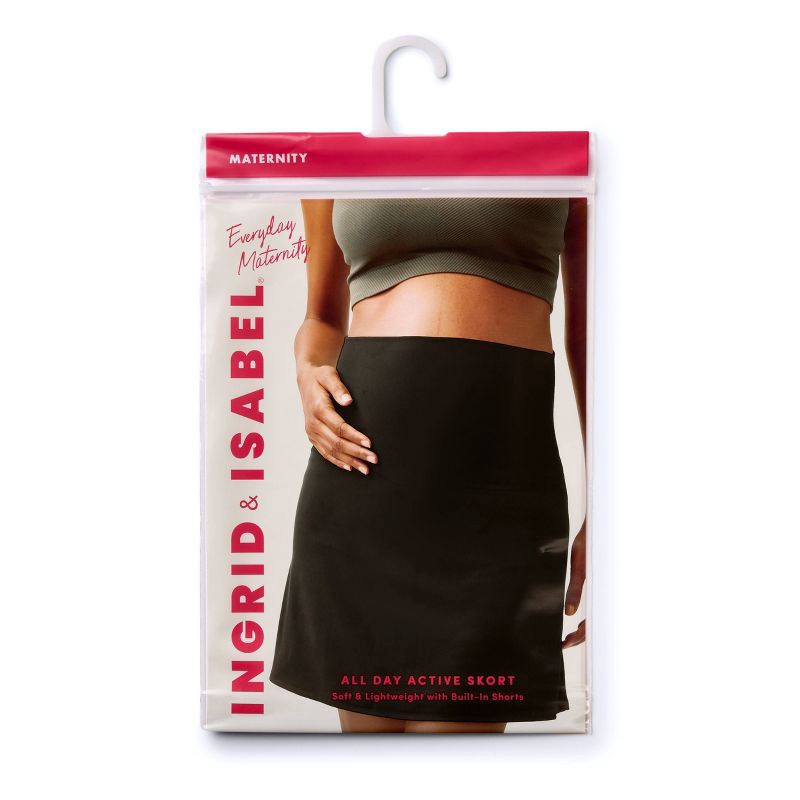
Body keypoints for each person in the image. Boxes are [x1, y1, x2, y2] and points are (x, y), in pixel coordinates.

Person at [269, 197, 587, 734]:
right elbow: (321, 317)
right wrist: (308, 372)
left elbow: (595, 336)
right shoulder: (340, 157)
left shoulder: (568, 154)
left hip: (501, 485)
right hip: (363, 473)